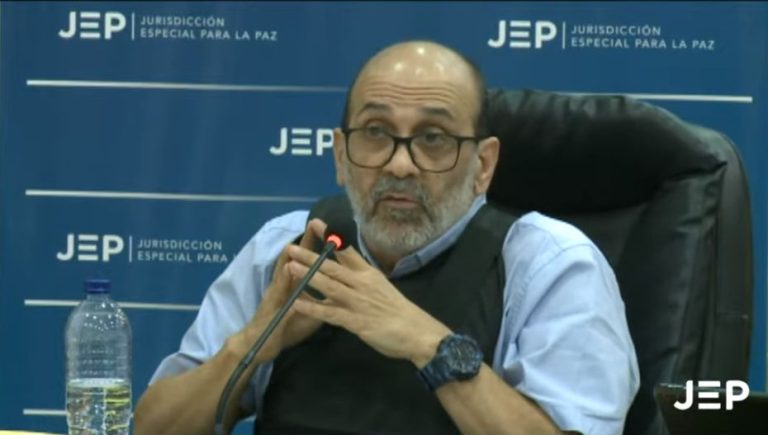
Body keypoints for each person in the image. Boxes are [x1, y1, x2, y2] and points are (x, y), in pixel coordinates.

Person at [135, 40, 639, 435]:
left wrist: (427, 343)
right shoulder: (286, 248)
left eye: (433, 138)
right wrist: (253, 342)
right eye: (375, 132)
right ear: (340, 156)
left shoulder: (550, 264)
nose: (400, 164)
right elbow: (152, 428)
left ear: (483, 165)